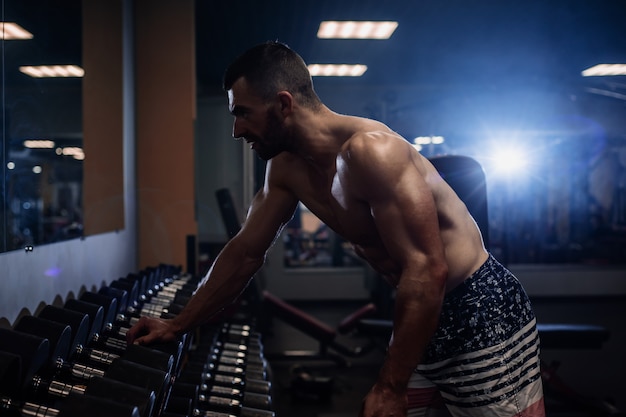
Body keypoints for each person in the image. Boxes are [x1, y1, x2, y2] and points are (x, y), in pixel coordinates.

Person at [127, 41, 545, 417]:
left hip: (475, 309)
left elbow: (427, 269)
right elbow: (245, 252)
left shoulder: (372, 152)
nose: (236, 129)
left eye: (243, 113)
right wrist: (179, 323)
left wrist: (389, 384)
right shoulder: (286, 169)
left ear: (284, 104)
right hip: (420, 314)